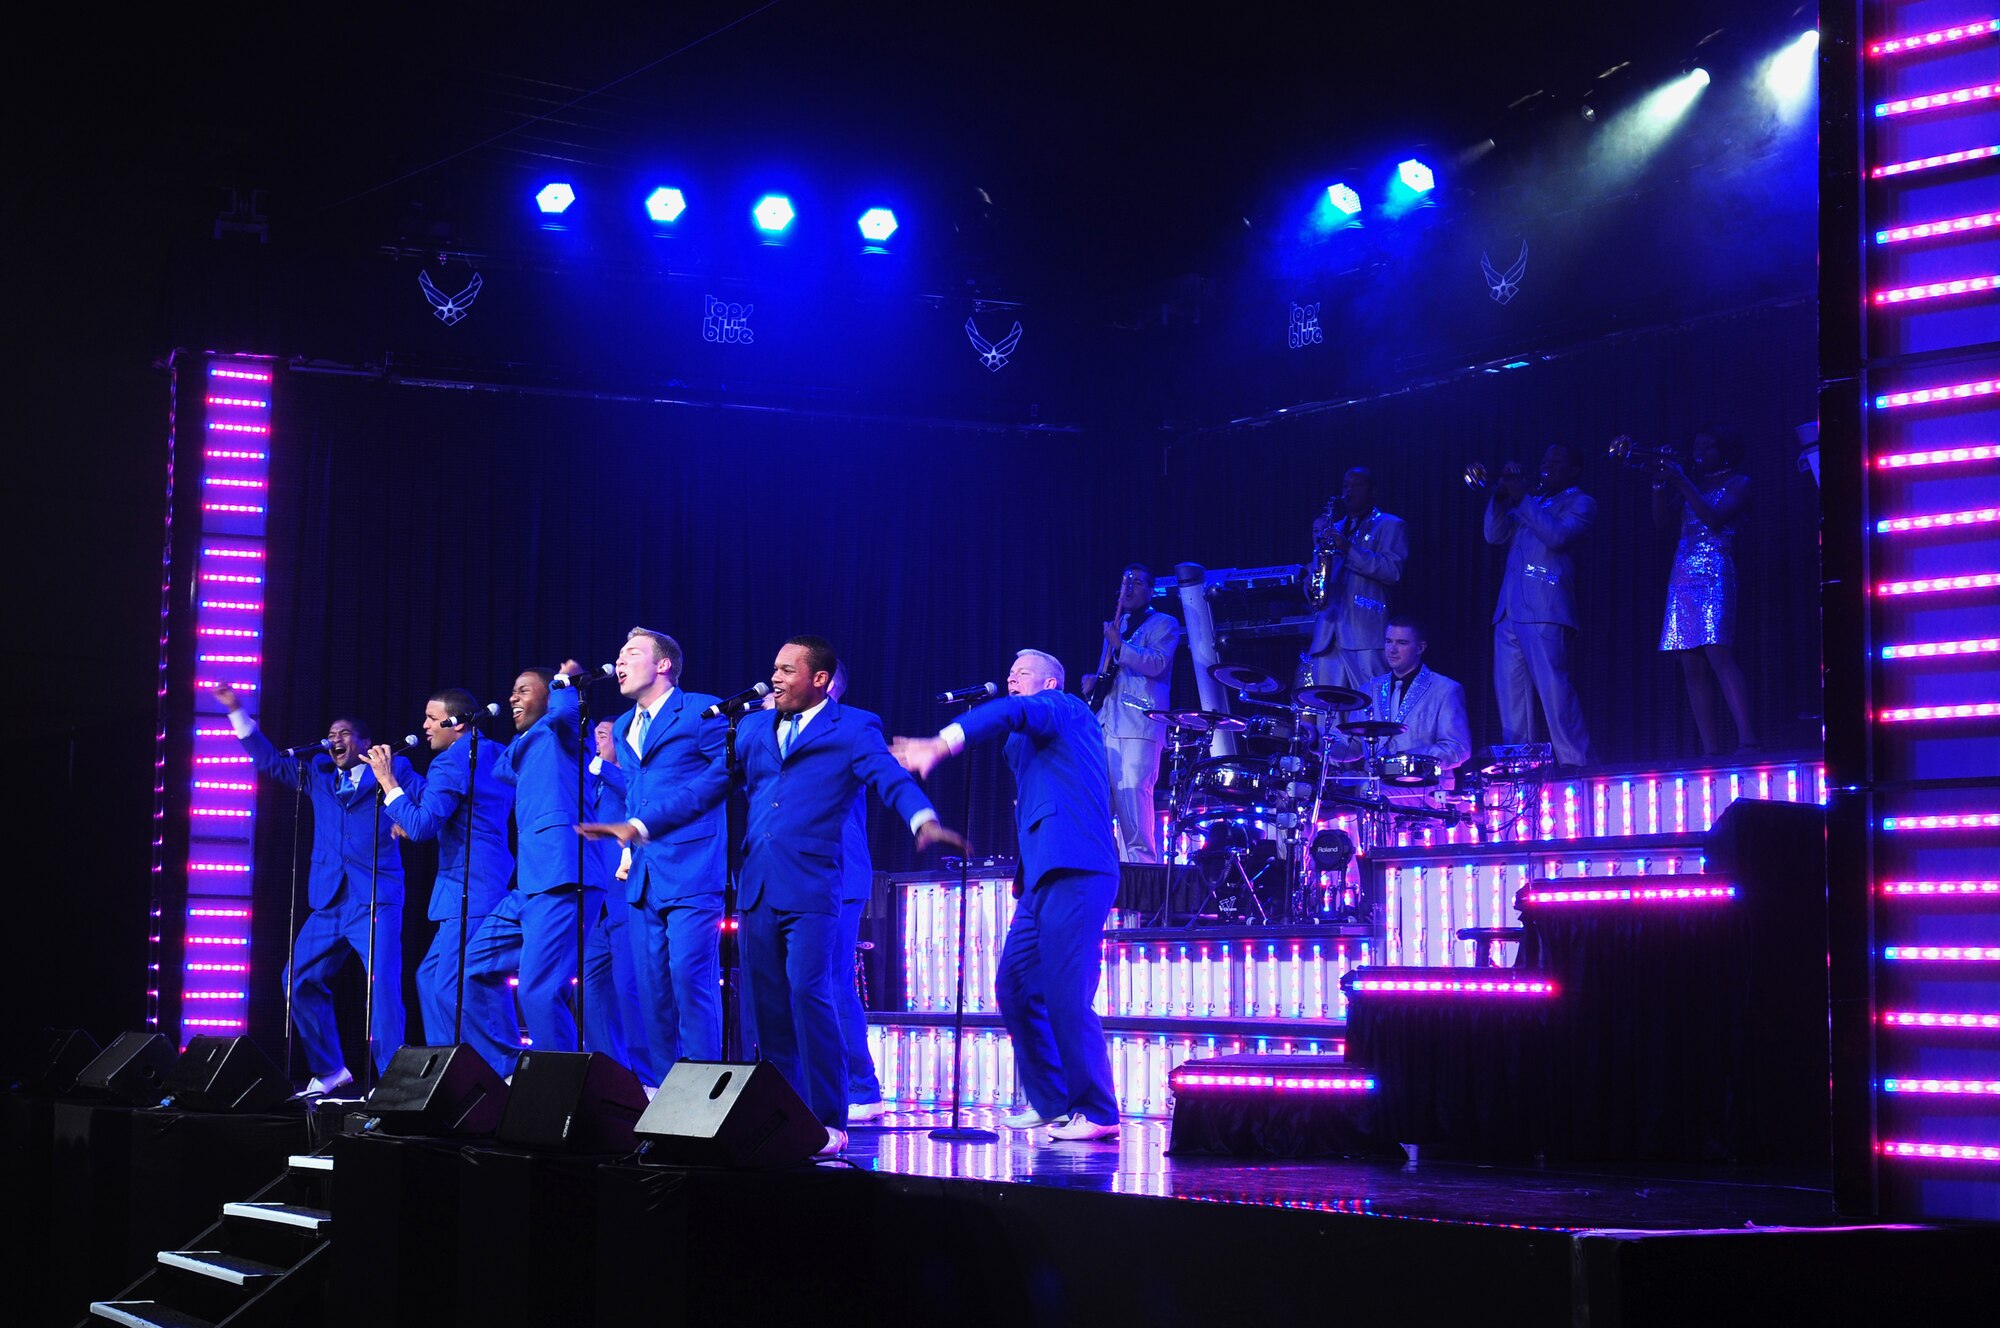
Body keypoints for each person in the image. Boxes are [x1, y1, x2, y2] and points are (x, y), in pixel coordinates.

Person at [582, 635, 962, 1155]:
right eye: (775, 669)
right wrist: (641, 824)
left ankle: (828, 1119)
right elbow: (706, 788)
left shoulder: (852, 727)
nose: (775, 678)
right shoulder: (755, 728)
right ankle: (787, 1115)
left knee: (810, 995)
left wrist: (923, 819)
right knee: (768, 1008)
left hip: (811, 886)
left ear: (819, 680)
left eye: (787, 670)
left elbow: (887, 777)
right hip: (758, 886)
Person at [893, 648, 1123, 1141]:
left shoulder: (1065, 707)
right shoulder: (1026, 743)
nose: (1010, 679)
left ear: (1048, 683)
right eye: (1010, 672)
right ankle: (1053, 1101)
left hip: (1077, 867)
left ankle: (1098, 1110)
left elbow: (1016, 711)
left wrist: (943, 742)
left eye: (1022, 673)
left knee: (1066, 994)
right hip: (1040, 876)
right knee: (1015, 989)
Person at [215, 687, 417, 1093]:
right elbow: (270, 761)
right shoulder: (320, 774)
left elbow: (425, 804)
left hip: (374, 897)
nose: (335, 739)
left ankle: (394, 1082)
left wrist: (405, 818)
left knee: (383, 986)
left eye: (344, 734)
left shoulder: (395, 769)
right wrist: (237, 711)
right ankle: (330, 1070)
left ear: (363, 742)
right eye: (331, 734)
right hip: (328, 899)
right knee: (297, 978)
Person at [593, 627, 729, 1075]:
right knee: (649, 990)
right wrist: (629, 849)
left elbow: (721, 775)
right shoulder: (627, 725)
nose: (621, 662)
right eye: (619, 653)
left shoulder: (699, 710)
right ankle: (661, 1088)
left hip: (692, 868)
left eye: (632, 652)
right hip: (644, 875)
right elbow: (637, 793)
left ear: (663, 665)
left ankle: (703, 1092)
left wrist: (645, 823)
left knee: (691, 982)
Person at [463, 662, 609, 1077]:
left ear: (548, 697)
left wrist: (564, 685)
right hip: (529, 884)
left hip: (565, 878)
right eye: (513, 690)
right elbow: (501, 769)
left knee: (540, 991)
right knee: (472, 969)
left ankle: (560, 1086)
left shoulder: (566, 733)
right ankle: (510, 1070)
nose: (513, 697)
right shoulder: (529, 744)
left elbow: (566, 715)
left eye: (524, 690)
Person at [363, 688, 517, 1073]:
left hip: (470, 887)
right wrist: (404, 777)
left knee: (455, 985)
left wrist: (387, 781)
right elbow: (451, 800)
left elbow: (422, 826)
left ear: (456, 722)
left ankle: (500, 1069)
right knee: (431, 978)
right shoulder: (492, 752)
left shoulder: (450, 763)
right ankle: (451, 1068)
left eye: (432, 718)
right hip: (486, 878)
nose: (424, 726)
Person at [1482, 444, 1598, 770]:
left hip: (1546, 607)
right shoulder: (1532, 503)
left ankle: (1578, 764)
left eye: (1556, 463)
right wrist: (1500, 497)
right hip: (1508, 611)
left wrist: (1522, 498)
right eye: (1544, 461)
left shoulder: (1581, 502)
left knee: (1555, 693)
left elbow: (1558, 536)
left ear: (1574, 470)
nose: (1546, 467)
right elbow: (1493, 536)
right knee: (1511, 699)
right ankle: (1521, 769)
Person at [1651, 425, 1761, 755]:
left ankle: (1748, 740)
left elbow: (1714, 518)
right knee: (1690, 662)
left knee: (1718, 653)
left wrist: (1682, 480)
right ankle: (1710, 749)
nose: (1700, 452)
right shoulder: (1693, 485)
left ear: (1725, 450)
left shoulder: (1739, 482)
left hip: (1714, 570)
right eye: (1696, 445)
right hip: (1682, 573)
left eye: (1709, 446)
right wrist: (1658, 482)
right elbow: (1660, 523)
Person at [826, 663, 891, 1123]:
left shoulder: (848, 728)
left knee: (832, 982)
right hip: (794, 879)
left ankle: (862, 1087)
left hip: (839, 876)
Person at [1082, 564, 1180, 863]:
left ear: (1151, 590)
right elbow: (1113, 672)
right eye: (1125, 582)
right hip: (1106, 725)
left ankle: (1144, 882)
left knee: (1133, 806)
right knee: (1099, 807)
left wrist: (1119, 645)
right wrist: (1095, 681)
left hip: (1139, 726)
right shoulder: (1118, 624)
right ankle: (1108, 881)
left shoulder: (1164, 623)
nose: (1128, 588)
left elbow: (1157, 664)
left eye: (1136, 583)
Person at [1305, 467, 1408, 693]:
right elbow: (1319, 576)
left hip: (1366, 633)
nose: (1349, 491)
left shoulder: (1390, 525)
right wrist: (1313, 582)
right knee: (1327, 712)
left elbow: (1392, 571)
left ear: (1373, 490)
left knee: (1374, 710)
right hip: (1327, 635)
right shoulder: (1334, 529)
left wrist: (1348, 548)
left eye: (1357, 485)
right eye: (1346, 486)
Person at [1332, 615, 1473, 776]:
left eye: (1401, 643)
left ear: (1420, 648)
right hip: (1376, 787)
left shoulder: (1445, 689)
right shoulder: (1368, 689)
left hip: (1424, 790)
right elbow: (1354, 745)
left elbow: (1458, 748)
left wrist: (1406, 761)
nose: (1392, 649)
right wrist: (1316, 740)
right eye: (1388, 641)